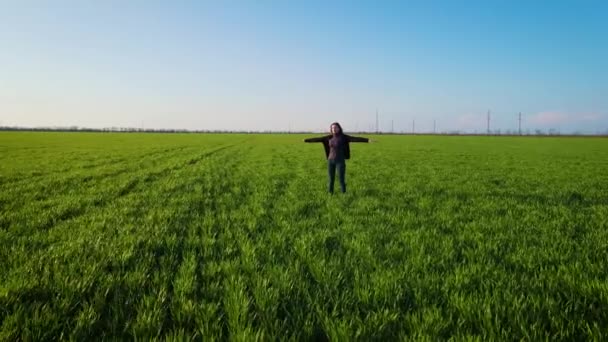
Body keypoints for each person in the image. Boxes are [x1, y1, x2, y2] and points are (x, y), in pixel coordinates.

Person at [304, 122, 370, 194]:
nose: (334, 129)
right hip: (330, 161)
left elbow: (355, 138)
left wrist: (367, 140)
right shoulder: (329, 137)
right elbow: (318, 139)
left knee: (341, 179)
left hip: (340, 161)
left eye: (335, 127)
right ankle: (330, 194)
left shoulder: (344, 137)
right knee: (331, 179)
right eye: (332, 128)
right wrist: (306, 140)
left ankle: (343, 194)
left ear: (339, 128)